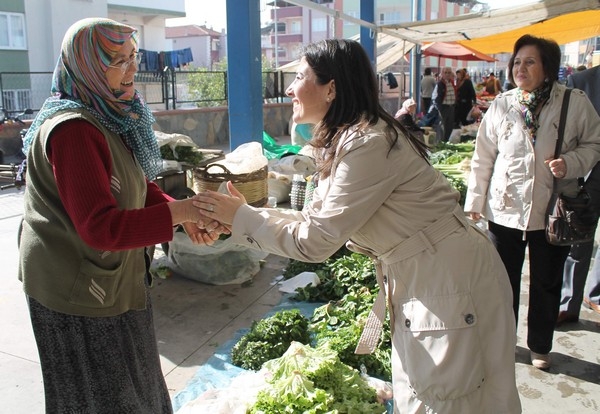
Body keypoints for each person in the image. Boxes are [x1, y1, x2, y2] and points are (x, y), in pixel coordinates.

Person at [193, 39, 521, 414]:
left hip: (447, 278)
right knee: (439, 395)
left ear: (331, 87)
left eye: (299, 76)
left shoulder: (368, 143)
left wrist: (240, 218)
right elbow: (315, 220)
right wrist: (241, 217)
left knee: (451, 402)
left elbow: (315, 242)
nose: (288, 88)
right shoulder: (349, 138)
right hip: (431, 274)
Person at [18, 18, 223, 413]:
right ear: (87, 65)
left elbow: (138, 185)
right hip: (73, 288)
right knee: (101, 396)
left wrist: (179, 213)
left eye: (134, 57)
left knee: (136, 385)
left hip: (112, 277)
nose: (132, 69)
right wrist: (179, 211)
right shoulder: (73, 129)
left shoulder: (109, 114)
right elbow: (100, 227)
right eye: (117, 59)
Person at [464, 34, 600, 371]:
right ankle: (503, 341)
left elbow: (595, 144)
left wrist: (572, 162)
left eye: (530, 61)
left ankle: (540, 345)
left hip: (552, 208)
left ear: (548, 67)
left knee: (547, 281)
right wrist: (475, 199)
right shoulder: (502, 103)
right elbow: (483, 157)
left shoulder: (573, 101)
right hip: (504, 208)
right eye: (517, 61)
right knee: (501, 283)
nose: (520, 68)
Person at [559, 64, 600, 325]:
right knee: (578, 238)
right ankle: (568, 303)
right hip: (588, 174)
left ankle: (596, 295)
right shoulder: (582, 81)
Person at [431, 67, 456, 142]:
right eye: (446, 73)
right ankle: (440, 142)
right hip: (443, 108)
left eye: (449, 72)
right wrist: (440, 108)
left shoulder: (451, 82)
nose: (447, 74)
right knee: (442, 126)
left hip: (451, 107)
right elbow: (435, 97)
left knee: (449, 126)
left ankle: (446, 141)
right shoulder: (440, 84)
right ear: (442, 74)